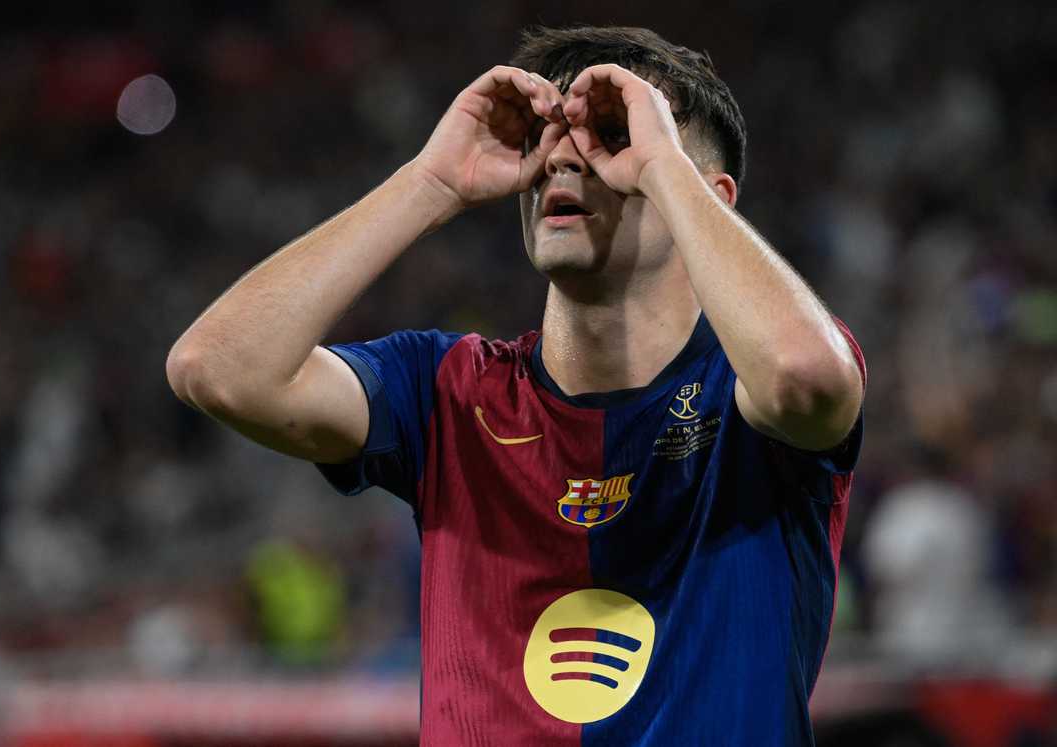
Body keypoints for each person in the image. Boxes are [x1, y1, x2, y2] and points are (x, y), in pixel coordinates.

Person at [167, 24, 866, 746]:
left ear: (704, 192)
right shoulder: (447, 391)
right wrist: (428, 183)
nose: (566, 156)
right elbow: (215, 367)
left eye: (612, 135)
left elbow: (805, 376)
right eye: (548, 136)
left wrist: (662, 164)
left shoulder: (747, 386)